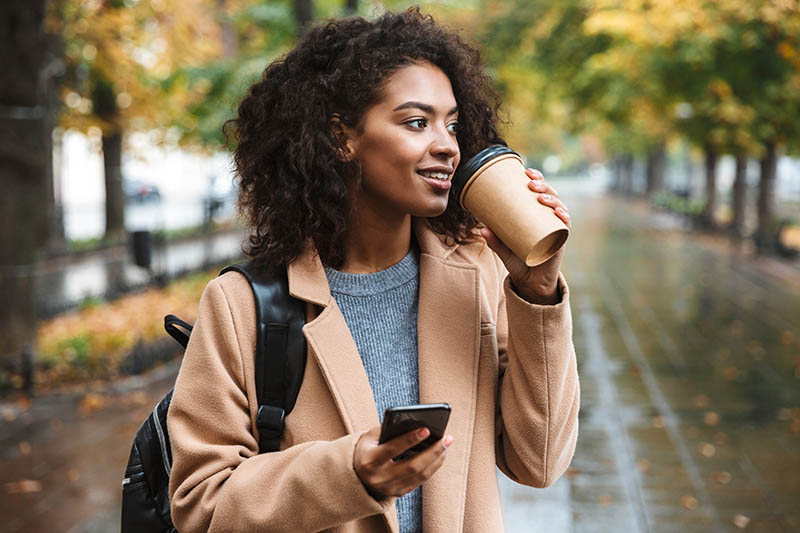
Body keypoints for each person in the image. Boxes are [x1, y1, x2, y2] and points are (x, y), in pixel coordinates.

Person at [168, 7, 579, 533]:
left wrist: (537, 291)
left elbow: (539, 462)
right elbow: (199, 504)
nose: (447, 144)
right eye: (416, 122)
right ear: (342, 137)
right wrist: (350, 475)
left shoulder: (481, 279)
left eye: (451, 124)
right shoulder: (242, 304)